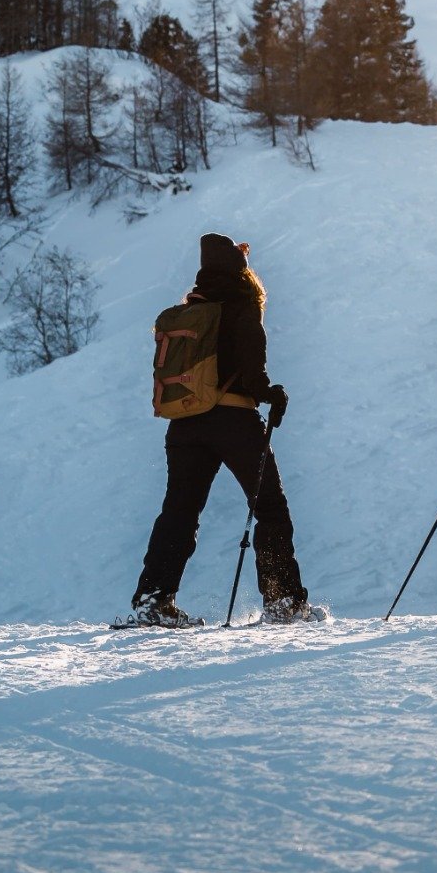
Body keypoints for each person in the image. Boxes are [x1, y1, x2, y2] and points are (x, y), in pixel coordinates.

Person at [128, 233, 311, 627]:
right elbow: (252, 372)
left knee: (179, 512)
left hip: (183, 426)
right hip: (232, 421)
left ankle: (153, 601)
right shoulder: (241, 307)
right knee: (270, 508)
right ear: (240, 270)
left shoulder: (192, 309)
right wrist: (272, 395)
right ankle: (283, 603)